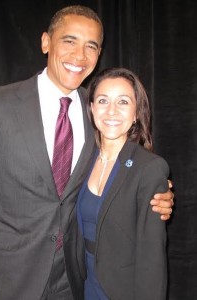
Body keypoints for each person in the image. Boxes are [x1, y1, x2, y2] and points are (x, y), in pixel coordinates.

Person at [0, 5, 173, 300]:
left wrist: (159, 194)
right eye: (69, 41)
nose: (80, 56)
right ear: (46, 42)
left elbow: (124, 170)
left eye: (91, 46)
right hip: (9, 275)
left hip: (73, 277)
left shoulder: (96, 110)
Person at [77, 67, 169, 299]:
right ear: (92, 108)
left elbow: (152, 258)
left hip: (122, 289)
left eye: (123, 102)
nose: (111, 111)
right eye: (103, 100)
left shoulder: (149, 168)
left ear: (137, 112)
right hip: (81, 283)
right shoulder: (81, 160)